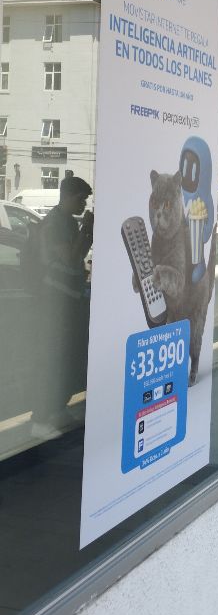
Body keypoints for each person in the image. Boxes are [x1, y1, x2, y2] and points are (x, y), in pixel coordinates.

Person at [29, 175, 93, 438]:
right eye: (81, 199)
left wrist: (88, 232)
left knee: (68, 356)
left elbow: (79, 255)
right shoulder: (56, 222)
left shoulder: (67, 221)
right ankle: (40, 419)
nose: (84, 204)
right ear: (68, 196)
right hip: (55, 299)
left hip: (69, 296)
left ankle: (56, 408)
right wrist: (86, 228)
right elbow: (69, 257)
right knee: (53, 358)